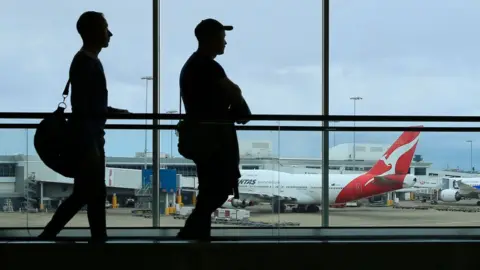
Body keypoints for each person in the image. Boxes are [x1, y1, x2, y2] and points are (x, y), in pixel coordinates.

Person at [38, 11, 129, 243]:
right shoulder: (86, 63)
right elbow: (86, 106)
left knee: (85, 193)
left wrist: (107, 111)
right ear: (93, 32)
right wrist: (95, 136)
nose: (109, 33)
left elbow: (87, 103)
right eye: (105, 27)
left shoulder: (86, 61)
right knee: (94, 193)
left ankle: (53, 233)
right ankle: (97, 239)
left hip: (87, 137)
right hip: (88, 139)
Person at [177, 18, 251, 241]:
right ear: (209, 39)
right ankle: (191, 233)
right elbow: (235, 97)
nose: (225, 42)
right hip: (214, 140)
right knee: (217, 190)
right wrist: (238, 100)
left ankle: (196, 235)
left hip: (203, 138)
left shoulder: (193, 65)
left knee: (210, 189)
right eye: (222, 37)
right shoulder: (208, 67)